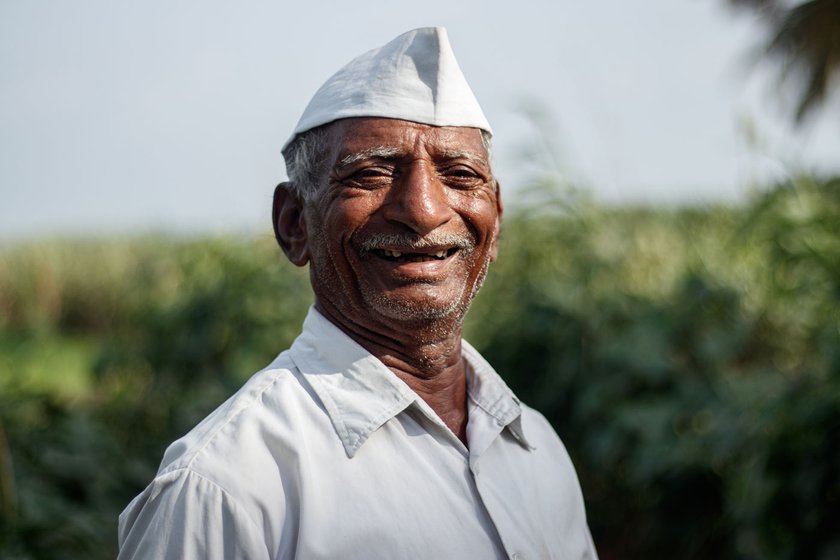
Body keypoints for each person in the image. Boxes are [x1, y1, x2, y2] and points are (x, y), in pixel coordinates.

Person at [118, 27, 597, 559]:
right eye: (371, 173)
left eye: (460, 175)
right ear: (294, 222)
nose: (424, 210)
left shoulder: (536, 449)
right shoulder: (227, 487)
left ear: (497, 220)